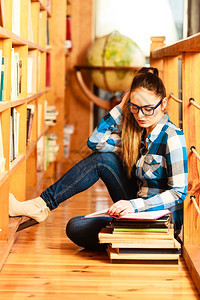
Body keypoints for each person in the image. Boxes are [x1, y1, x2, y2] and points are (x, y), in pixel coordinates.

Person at [9, 67, 188, 250]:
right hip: (135, 207)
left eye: (148, 109)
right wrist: (119, 108)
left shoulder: (172, 136)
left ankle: (132, 238)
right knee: (103, 159)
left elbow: (178, 193)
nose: (140, 115)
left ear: (163, 103)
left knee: (76, 227)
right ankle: (41, 205)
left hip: (159, 218)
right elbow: (95, 142)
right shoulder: (136, 134)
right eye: (134, 107)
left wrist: (133, 206)